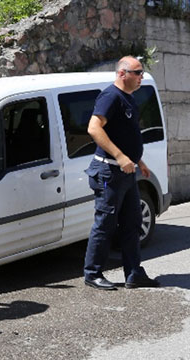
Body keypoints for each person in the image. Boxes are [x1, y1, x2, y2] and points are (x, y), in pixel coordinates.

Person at [83, 56, 159, 290]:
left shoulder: (129, 99)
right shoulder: (110, 96)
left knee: (132, 223)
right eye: (137, 72)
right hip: (109, 172)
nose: (141, 77)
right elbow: (93, 128)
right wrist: (119, 156)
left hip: (126, 172)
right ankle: (92, 273)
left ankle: (134, 273)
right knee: (105, 224)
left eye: (141, 73)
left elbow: (125, 136)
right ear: (122, 73)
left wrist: (139, 161)